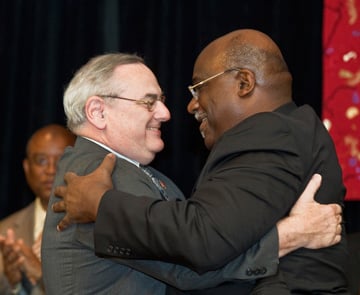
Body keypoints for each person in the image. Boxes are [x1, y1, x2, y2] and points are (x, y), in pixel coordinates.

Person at [52, 29, 348, 294]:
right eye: (148, 101)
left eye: (163, 100)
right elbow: (187, 269)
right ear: (98, 112)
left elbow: (195, 246)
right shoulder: (88, 178)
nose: (168, 113)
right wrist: (290, 235)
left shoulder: (142, 178)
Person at [0, 124, 75, 295]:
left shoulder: (98, 228)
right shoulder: (5, 231)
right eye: (41, 160)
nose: (50, 170)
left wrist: (42, 275)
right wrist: (14, 285)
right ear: (26, 168)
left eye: (61, 160)